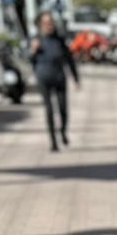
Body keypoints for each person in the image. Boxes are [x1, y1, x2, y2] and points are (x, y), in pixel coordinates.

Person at [28, 13, 79, 151]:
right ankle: (53, 142)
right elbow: (29, 61)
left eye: (51, 22)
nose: (49, 25)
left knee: (63, 108)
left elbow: (69, 60)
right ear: (40, 25)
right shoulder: (36, 40)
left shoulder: (59, 39)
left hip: (59, 77)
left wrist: (76, 78)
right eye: (46, 23)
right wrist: (33, 51)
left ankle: (62, 132)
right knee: (49, 110)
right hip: (44, 77)